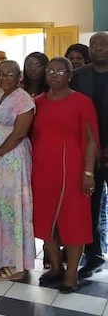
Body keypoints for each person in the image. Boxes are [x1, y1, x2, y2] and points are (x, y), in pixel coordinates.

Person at [32, 57, 99, 293]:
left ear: (70, 75)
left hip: (72, 170)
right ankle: (55, 267)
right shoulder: (37, 102)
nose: (54, 74)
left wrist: (88, 171)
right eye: (50, 70)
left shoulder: (82, 102)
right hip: (41, 170)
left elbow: (91, 140)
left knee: (73, 220)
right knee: (45, 219)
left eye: (60, 71)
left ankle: (71, 272)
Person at [0, 60, 36, 281]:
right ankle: (2, 257)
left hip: (12, 159)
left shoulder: (23, 99)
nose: (4, 78)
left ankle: (18, 264)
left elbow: (19, 133)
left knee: (13, 209)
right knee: (0, 208)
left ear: (18, 76)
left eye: (9, 74)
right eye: (0, 74)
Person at [70, 32, 108, 279]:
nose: (97, 49)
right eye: (93, 45)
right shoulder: (78, 75)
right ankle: (93, 256)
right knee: (89, 207)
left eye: (103, 45)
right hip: (87, 153)